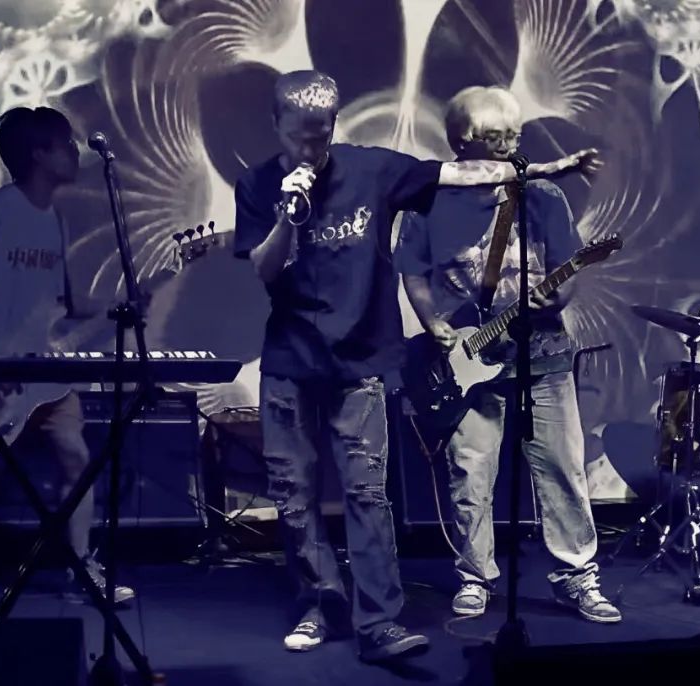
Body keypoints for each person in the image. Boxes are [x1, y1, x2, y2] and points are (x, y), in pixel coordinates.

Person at [233, 70, 598, 662]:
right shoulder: (256, 185)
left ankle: (379, 623)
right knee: (294, 498)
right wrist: (287, 215)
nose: (310, 148)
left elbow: (460, 173)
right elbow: (265, 270)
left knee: (367, 495)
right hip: (289, 364)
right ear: (276, 125)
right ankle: (318, 604)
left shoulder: (371, 169)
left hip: (360, 362)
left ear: (334, 125)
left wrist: (547, 170)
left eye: (320, 135)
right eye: (299, 136)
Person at [393, 86, 620, 624]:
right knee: (470, 471)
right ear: (462, 142)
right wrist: (433, 323)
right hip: (466, 356)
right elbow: (412, 270)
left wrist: (554, 297)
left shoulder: (543, 196)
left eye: (514, 135)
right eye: (495, 137)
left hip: (543, 351)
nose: (508, 147)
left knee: (563, 469)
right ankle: (475, 575)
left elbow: (568, 266)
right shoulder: (429, 199)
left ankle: (578, 576)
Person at [0, 106, 134, 605]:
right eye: (64, 144)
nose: (74, 152)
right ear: (38, 154)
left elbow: (59, 305)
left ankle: (81, 568)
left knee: (77, 459)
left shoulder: (54, 222)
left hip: (43, 373)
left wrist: (124, 302)